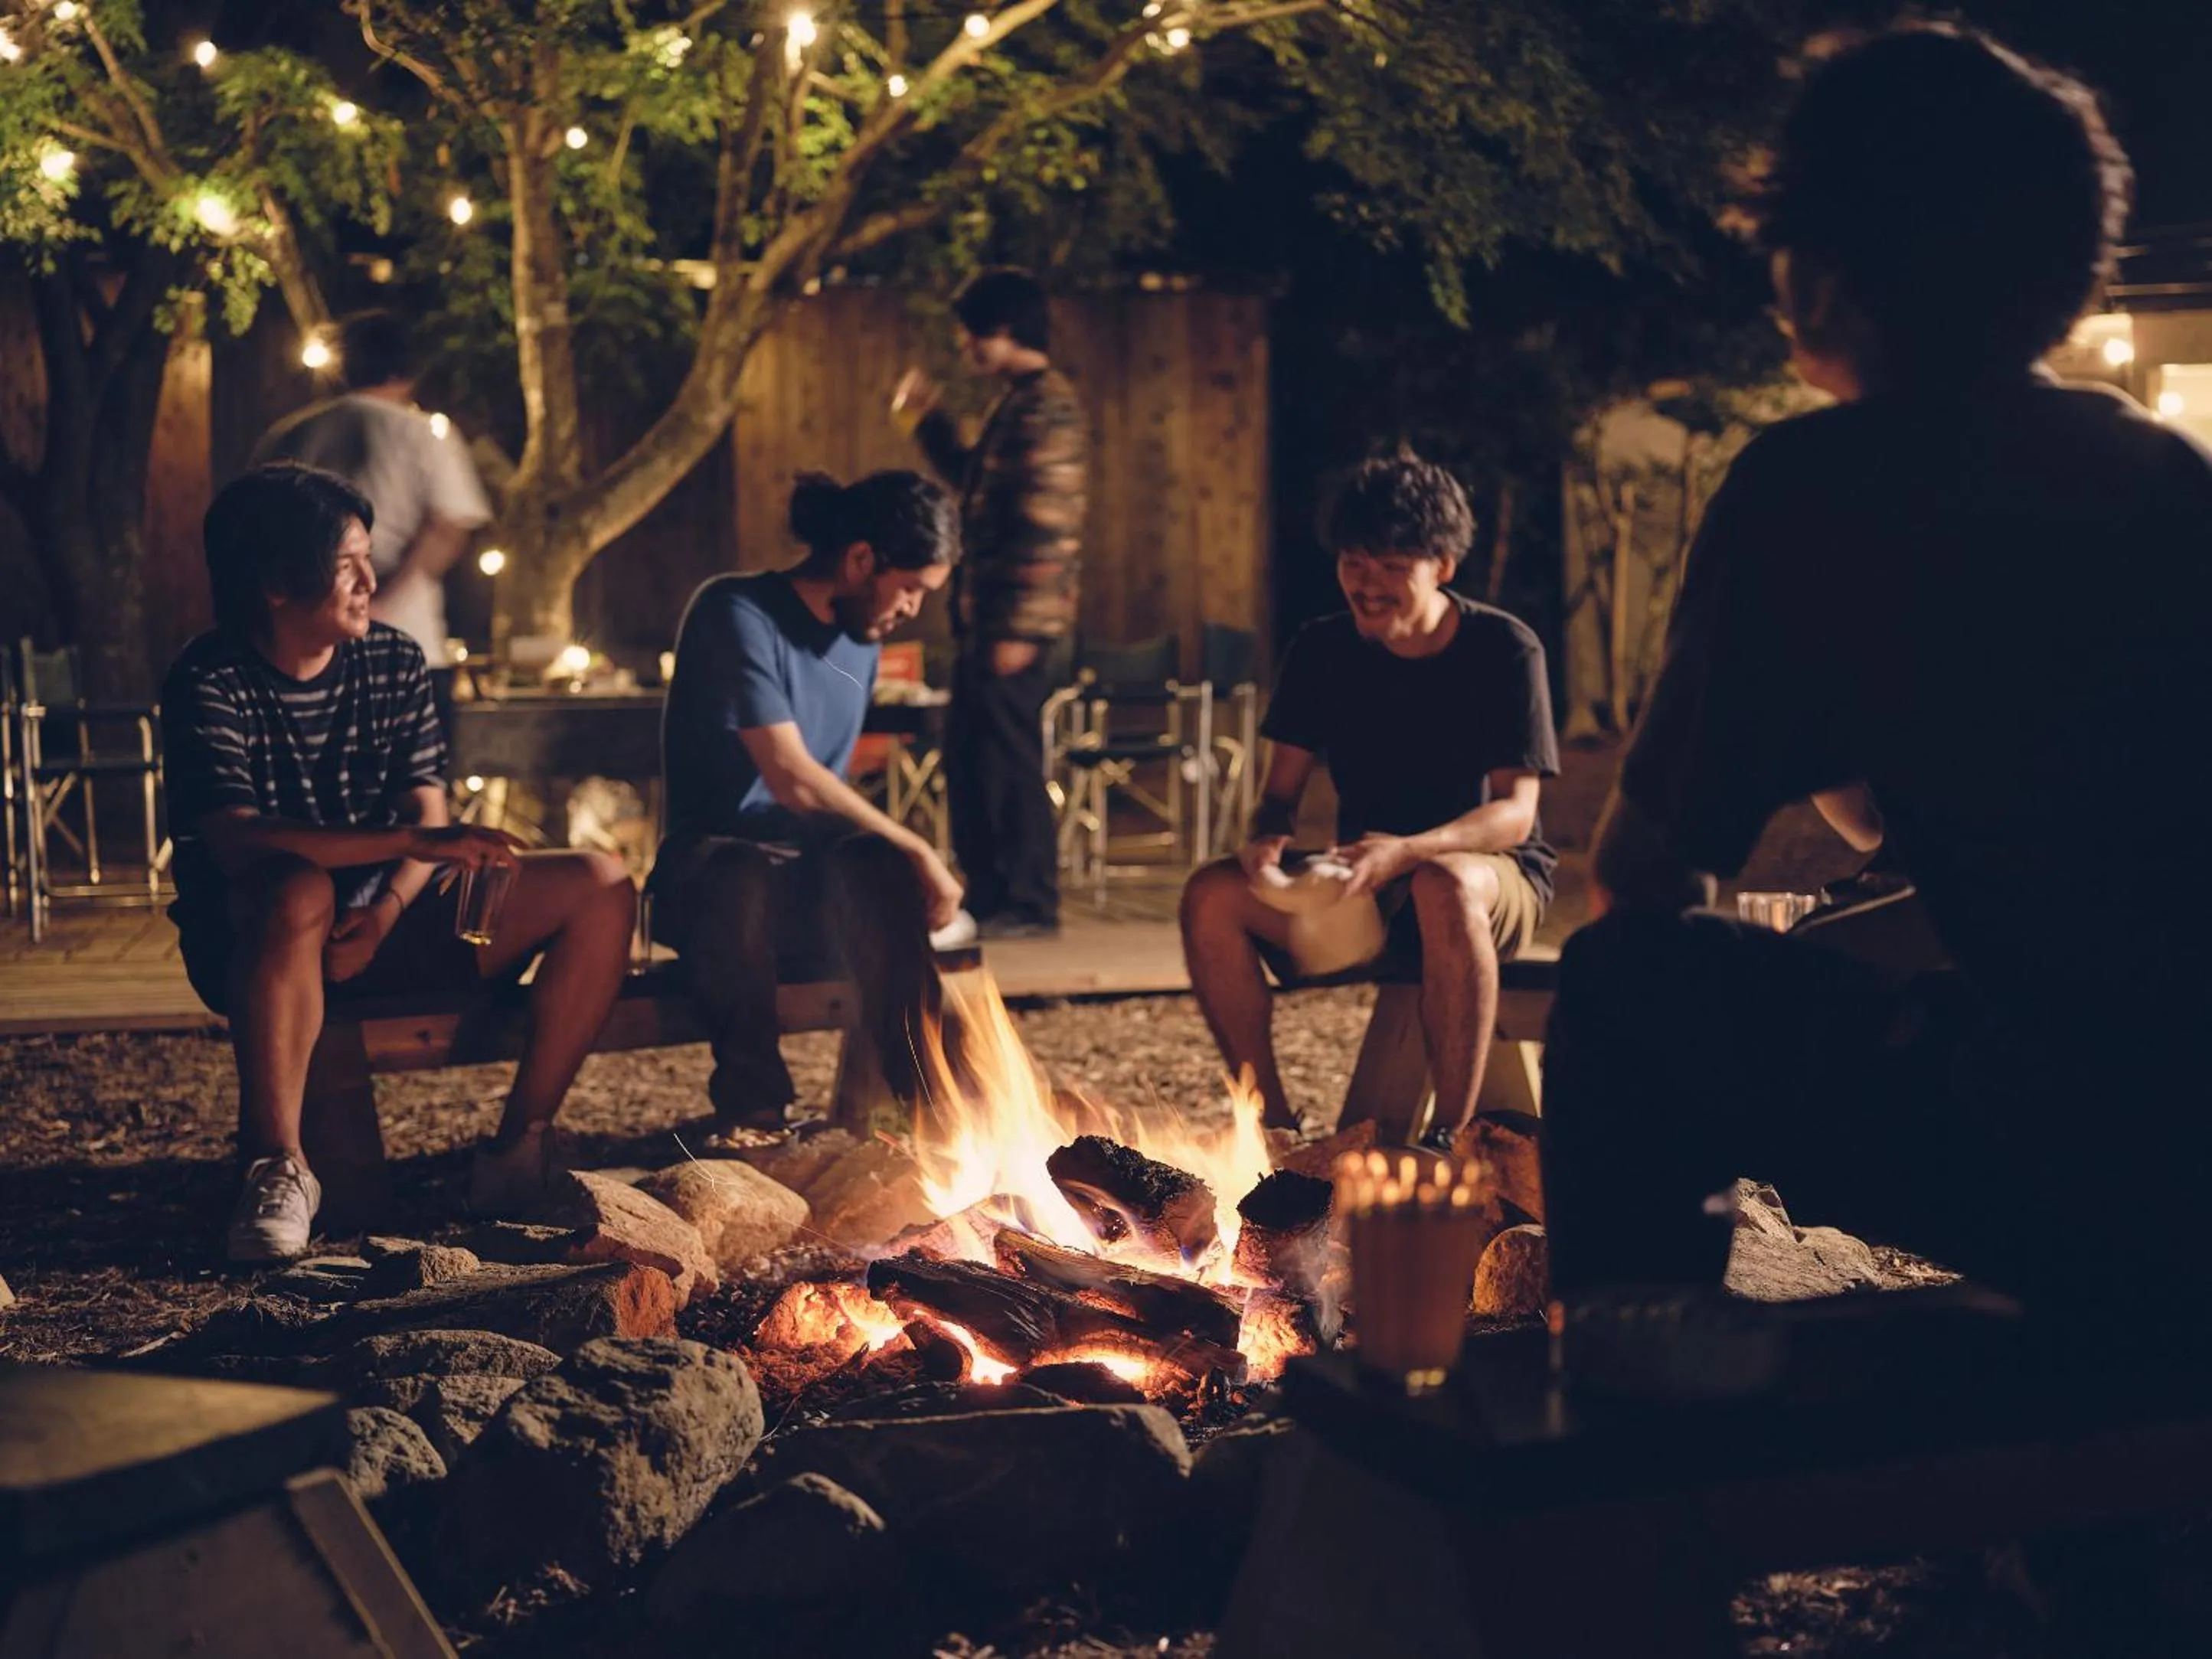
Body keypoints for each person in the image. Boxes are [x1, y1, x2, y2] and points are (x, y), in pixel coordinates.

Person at [1541, 24, 2212, 1336]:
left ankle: (1630, 1431)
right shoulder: (2160, 478)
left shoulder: (1815, 490)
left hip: (2074, 1161)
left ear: (1832, 270)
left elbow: (1645, 873)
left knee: (1624, 982)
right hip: (2174, 1143)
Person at [162, 465, 637, 1263]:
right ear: (278, 583)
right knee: (295, 885)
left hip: (387, 915)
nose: (369, 580)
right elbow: (240, 838)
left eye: (366, 559)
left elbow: (429, 813)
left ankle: (519, 1149)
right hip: (264, 941)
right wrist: (415, 849)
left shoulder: (392, 661)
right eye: (347, 563)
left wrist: (385, 910)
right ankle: (276, 1166)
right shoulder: (211, 678)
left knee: (599, 880)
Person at [1181, 454, 1559, 1140]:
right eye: (1355, 562)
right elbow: (1279, 796)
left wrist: (1409, 851)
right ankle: (1273, 1120)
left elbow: (1514, 815)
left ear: (1442, 566)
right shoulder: (1321, 649)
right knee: (1211, 894)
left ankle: (1452, 1134)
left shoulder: (1504, 648)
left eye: (1392, 566)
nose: (1368, 584)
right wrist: (1266, 838)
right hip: (1364, 879)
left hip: (1489, 879)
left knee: (1441, 882)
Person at [652, 470, 964, 1128]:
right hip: (707, 882)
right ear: (860, 560)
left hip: (800, 883)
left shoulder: (862, 641)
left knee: (874, 866)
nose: (913, 607)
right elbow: (791, 775)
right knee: (741, 874)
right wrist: (916, 845)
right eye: (909, 587)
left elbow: (822, 804)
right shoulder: (735, 612)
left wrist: (895, 858)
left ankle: (936, 1112)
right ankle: (756, 1115)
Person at [894, 267, 1086, 939]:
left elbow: (1041, 526)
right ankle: (991, 896)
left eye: (970, 331)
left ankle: (1028, 903)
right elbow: (979, 485)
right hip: (991, 616)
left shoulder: (1045, 407)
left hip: (1015, 620)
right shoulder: (1021, 402)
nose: (965, 345)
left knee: (1006, 761)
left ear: (1001, 330)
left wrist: (1018, 628)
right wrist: (929, 423)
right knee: (971, 757)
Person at [252, 309, 493, 742]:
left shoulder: (287, 435)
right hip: (407, 641)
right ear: (408, 373)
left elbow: (255, 530)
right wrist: (383, 603)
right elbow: (448, 527)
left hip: (302, 645)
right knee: (417, 794)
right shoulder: (424, 434)